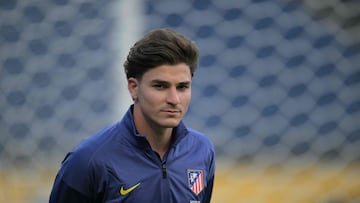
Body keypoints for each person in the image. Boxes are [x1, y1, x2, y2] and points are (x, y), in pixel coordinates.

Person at [49, 28, 215, 203]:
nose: (174, 99)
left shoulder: (201, 151)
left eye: (182, 87)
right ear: (133, 87)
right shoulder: (88, 160)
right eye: (160, 86)